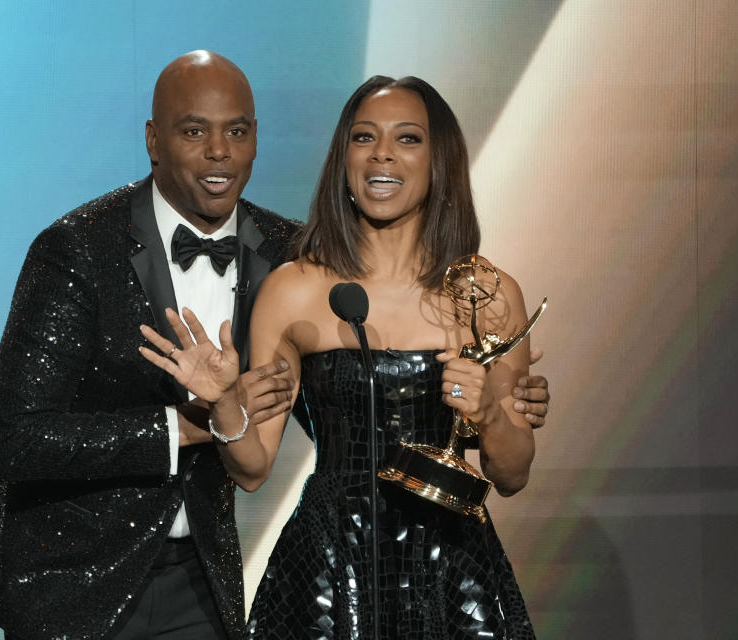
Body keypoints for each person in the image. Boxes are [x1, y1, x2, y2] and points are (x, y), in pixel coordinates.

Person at [140, 75, 539, 638]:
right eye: (364, 137)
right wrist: (226, 403)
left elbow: (514, 472)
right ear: (343, 159)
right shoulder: (295, 288)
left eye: (407, 139)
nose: (382, 154)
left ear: (439, 160)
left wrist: (491, 414)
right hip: (328, 573)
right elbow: (253, 469)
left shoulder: (485, 292)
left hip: (451, 567)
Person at [0, 51, 300, 639]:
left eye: (237, 130)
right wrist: (193, 423)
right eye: (194, 131)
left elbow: (342, 390)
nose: (219, 152)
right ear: (154, 140)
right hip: (74, 582)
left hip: (200, 579)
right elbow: (18, 440)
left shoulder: (286, 250)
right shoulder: (75, 249)